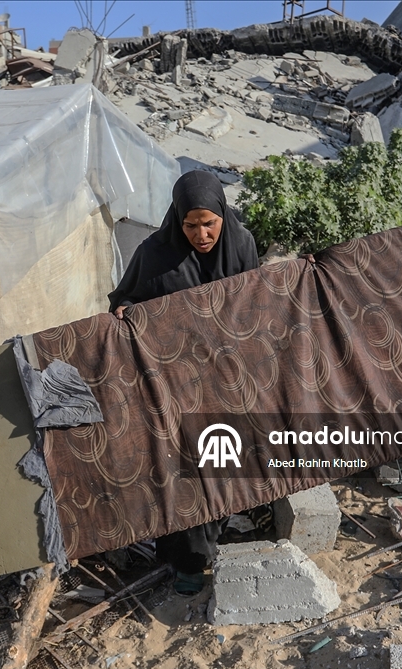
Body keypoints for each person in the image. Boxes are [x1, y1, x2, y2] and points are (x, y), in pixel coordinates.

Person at [108, 169, 259, 594]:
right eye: (190, 225)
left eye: (209, 223)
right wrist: (125, 310)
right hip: (173, 385)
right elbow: (125, 298)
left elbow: (257, 304)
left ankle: (213, 538)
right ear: (177, 219)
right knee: (182, 472)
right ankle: (187, 563)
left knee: (221, 463)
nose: (201, 234)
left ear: (223, 215)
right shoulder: (154, 254)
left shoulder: (242, 246)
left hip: (226, 382)